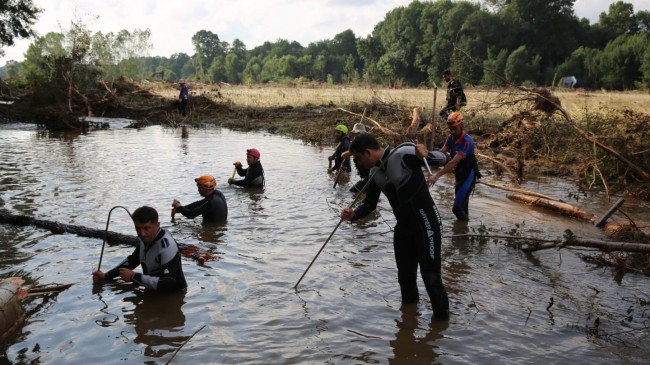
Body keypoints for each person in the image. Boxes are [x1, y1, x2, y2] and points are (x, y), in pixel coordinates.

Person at [341, 134, 449, 320]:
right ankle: (408, 325)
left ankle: (440, 328)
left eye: (358, 158)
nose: (358, 163)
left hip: (427, 226)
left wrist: (424, 153)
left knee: (431, 279)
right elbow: (369, 204)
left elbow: (442, 158)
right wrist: (354, 215)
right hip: (403, 231)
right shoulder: (375, 174)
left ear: (367, 152)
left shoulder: (403, 154)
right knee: (405, 280)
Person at [92, 206, 188, 292]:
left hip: (173, 295)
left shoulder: (167, 246)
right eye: (138, 229)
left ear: (157, 225)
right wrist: (106, 276)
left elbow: (168, 283)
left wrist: (134, 277)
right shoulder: (145, 239)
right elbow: (132, 261)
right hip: (153, 291)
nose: (142, 234)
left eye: (146, 228)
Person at [427, 112, 480, 221]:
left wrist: (436, 176)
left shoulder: (467, 142)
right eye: (450, 129)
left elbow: (452, 163)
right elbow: (442, 153)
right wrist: (426, 156)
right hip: (459, 176)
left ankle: (465, 231)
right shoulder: (451, 138)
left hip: (468, 178)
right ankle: (463, 233)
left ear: (461, 126)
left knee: (456, 209)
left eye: (454, 129)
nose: (452, 132)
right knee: (463, 207)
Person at [341, 122, 370, 193]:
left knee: (352, 191)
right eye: (356, 134)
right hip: (369, 177)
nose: (356, 136)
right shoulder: (363, 142)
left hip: (371, 177)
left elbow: (343, 155)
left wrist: (353, 149)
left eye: (358, 134)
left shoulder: (362, 144)